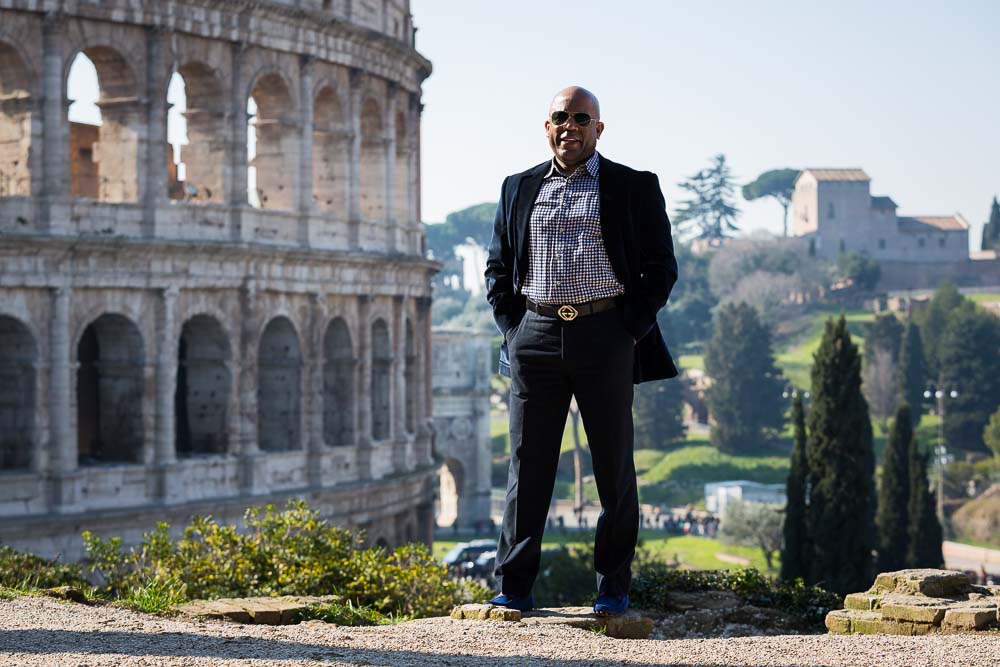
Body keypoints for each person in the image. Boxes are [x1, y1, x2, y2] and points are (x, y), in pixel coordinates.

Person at [484, 86, 678, 615]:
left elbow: (662, 268)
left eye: (581, 118)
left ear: (599, 128)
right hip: (536, 337)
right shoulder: (517, 187)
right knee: (528, 466)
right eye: (559, 117)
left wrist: (629, 330)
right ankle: (514, 588)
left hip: (606, 335)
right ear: (546, 126)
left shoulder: (633, 186)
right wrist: (514, 330)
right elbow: (498, 268)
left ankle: (612, 588)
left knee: (613, 466)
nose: (569, 125)